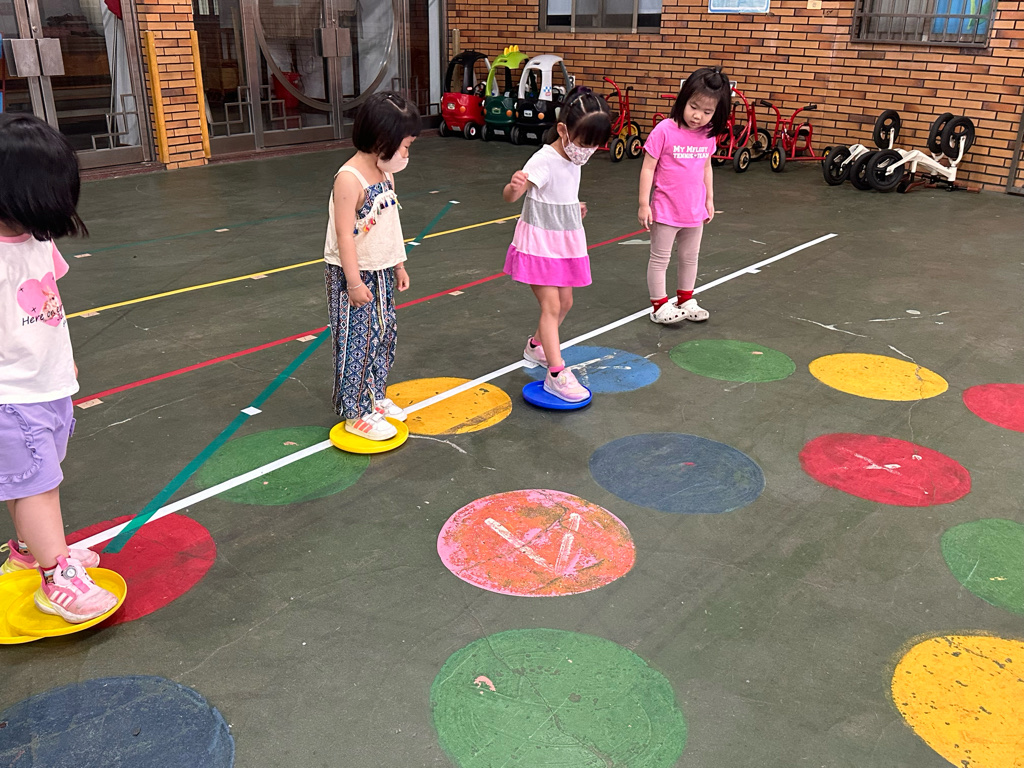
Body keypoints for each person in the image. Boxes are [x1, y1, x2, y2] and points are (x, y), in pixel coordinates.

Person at [0, 114, 118, 623]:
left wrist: (61, 356)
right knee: (37, 485)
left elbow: (49, 299)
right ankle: (57, 577)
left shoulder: (38, 239)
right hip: (10, 395)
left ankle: (30, 550)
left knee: (30, 478)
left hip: (48, 384)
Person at [503, 87, 611, 402]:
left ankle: (536, 347)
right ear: (563, 130)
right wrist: (514, 187)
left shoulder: (573, 160)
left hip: (563, 241)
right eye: (584, 143)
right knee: (551, 306)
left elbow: (559, 193)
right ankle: (555, 373)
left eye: (593, 145)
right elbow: (511, 197)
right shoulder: (544, 160)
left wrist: (572, 208)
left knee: (566, 303)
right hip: (538, 245)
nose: (587, 151)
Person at [324, 92, 419, 440]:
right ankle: (355, 412)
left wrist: (399, 264)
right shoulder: (349, 179)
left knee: (383, 334)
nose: (406, 154)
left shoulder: (386, 173)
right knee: (357, 342)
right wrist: (352, 282)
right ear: (383, 140)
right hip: (353, 274)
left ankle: (374, 396)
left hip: (381, 270)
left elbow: (391, 223)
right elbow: (344, 236)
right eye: (405, 146)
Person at [638, 67, 731, 324]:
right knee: (660, 258)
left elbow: (706, 167)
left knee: (690, 257)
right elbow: (648, 168)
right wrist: (644, 204)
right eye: (694, 107)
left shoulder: (707, 134)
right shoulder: (664, 130)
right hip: (666, 209)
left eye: (707, 112)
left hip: (694, 209)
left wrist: (709, 199)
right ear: (683, 100)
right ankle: (659, 305)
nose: (698, 116)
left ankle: (685, 299)